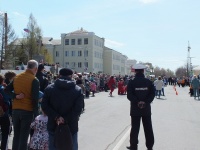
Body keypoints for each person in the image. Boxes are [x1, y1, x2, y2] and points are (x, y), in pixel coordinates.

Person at [41, 68, 84, 150]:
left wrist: (57, 117)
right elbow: (78, 109)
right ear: (71, 76)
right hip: (71, 125)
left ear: (59, 75)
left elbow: (44, 106)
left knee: (54, 146)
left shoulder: (49, 88)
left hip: (54, 124)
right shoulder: (77, 90)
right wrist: (65, 119)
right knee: (71, 146)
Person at [5, 60, 40, 150]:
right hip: (27, 111)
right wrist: (36, 115)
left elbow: (6, 90)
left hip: (15, 110)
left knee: (16, 135)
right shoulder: (34, 80)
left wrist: (15, 96)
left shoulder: (17, 77)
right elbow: (35, 99)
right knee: (24, 137)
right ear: (35, 69)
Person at [127, 64, 155, 150]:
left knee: (135, 129)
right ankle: (149, 147)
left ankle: (133, 146)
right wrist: (145, 102)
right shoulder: (148, 82)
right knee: (148, 128)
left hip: (135, 109)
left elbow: (129, 95)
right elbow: (152, 94)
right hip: (146, 109)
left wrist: (137, 102)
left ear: (135, 71)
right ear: (143, 71)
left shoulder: (131, 82)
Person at [0, 74, 11, 150]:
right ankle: (3, 148)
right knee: (5, 133)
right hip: (3, 113)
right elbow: (9, 98)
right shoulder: (2, 89)